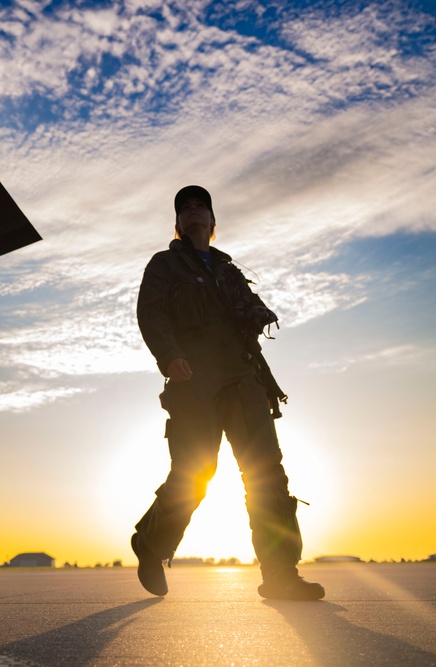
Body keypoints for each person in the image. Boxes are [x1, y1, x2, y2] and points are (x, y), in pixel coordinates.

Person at [130, 185, 324, 601]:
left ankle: (281, 575)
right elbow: (151, 313)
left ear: (213, 224)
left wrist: (257, 310)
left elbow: (250, 306)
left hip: (243, 379)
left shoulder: (228, 270)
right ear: (178, 225)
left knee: (267, 474)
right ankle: (150, 543)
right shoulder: (165, 265)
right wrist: (169, 356)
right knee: (194, 476)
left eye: (201, 206)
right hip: (193, 382)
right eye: (186, 208)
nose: (193, 210)